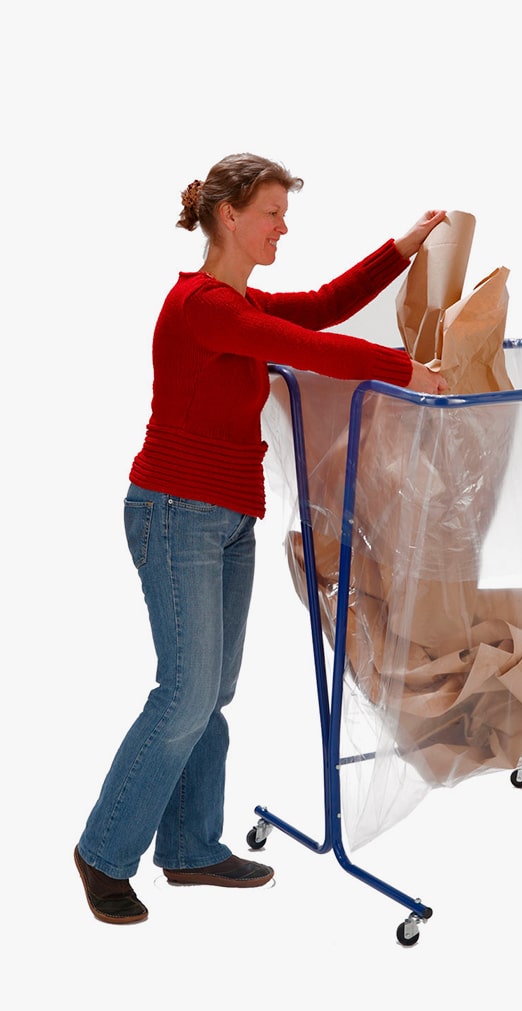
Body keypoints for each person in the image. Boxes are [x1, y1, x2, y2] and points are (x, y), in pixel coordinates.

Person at [75, 152, 448, 925]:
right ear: (229, 216)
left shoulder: (240, 303)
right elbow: (313, 349)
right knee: (184, 693)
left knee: (210, 691)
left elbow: (322, 308)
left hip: (225, 517)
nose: (283, 227)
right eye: (272, 213)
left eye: (284, 214)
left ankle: (190, 848)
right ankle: (104, 853)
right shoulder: (202, 306)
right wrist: (404, 369)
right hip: (175, 512)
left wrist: (401, 250)